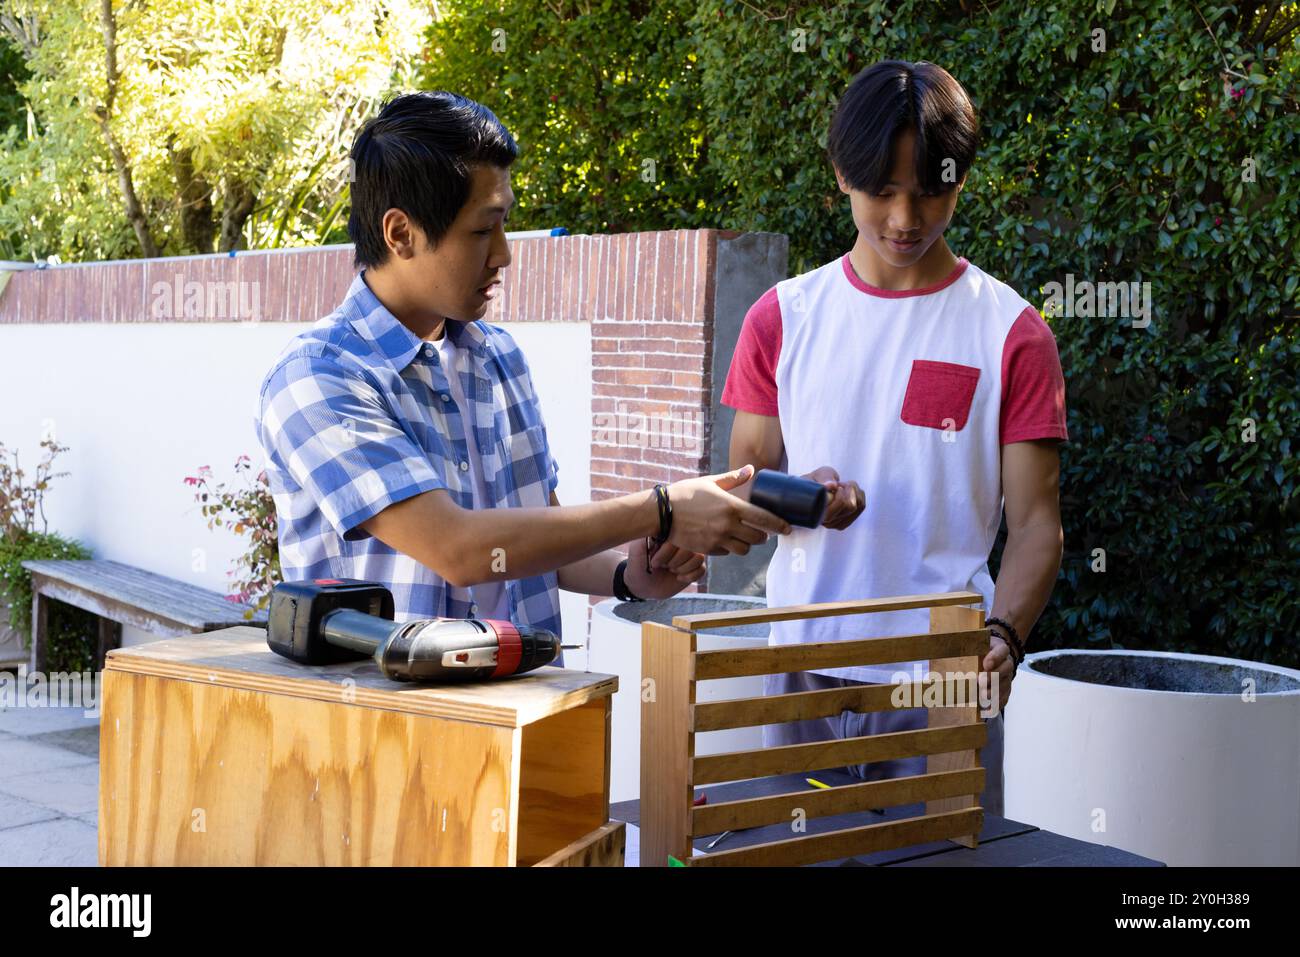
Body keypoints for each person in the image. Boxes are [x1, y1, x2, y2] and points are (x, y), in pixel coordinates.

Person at [254, 92, 791, 654]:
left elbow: (533, 536)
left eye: (505, 224)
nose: (504, 254)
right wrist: (661, 508)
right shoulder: (319, 379)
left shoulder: (498, 357)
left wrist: (625, 578)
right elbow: (458, 549)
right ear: (400, 234)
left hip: (526, 704)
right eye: (483, 230)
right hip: (393, 726)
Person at [722, 61, 1069, 815]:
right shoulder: (781, 319)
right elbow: (741, 497)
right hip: (798, 669)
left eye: (931, 191)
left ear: (963, 181)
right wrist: (804, 497)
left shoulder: (1011, 333)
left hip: (943, 676)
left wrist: (1004, 632)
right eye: (881, 191)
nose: (906, 217)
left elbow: (1038, 524)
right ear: (841, 176)